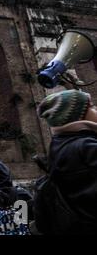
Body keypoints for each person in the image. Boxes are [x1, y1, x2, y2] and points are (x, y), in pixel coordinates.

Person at [35, 89, 97, 234]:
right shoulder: (85, 147)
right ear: (78, 116)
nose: (95, 110)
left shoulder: (60, 145)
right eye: (91, 106)